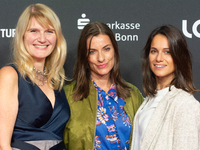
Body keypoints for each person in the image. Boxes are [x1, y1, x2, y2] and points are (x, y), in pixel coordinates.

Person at [63, 21, 143, 150]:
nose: (101, 58)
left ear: (114, 51)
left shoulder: (132, 93)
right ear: (85, 56)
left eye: (106, 49)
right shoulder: (68, 95)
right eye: (92, 52)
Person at [0, 3, 70, 150]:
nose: (42, 39)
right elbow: (2, 145)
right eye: (34, 31)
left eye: (49, 31)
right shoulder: (10, 75)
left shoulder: (55, 80)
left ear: (57, 37)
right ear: (22, 35)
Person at [131, 25, 200, 150]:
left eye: (167, 52)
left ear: (179, 57)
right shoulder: (150, 99)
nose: (159, 58)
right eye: (154, 51)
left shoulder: (186, 104)